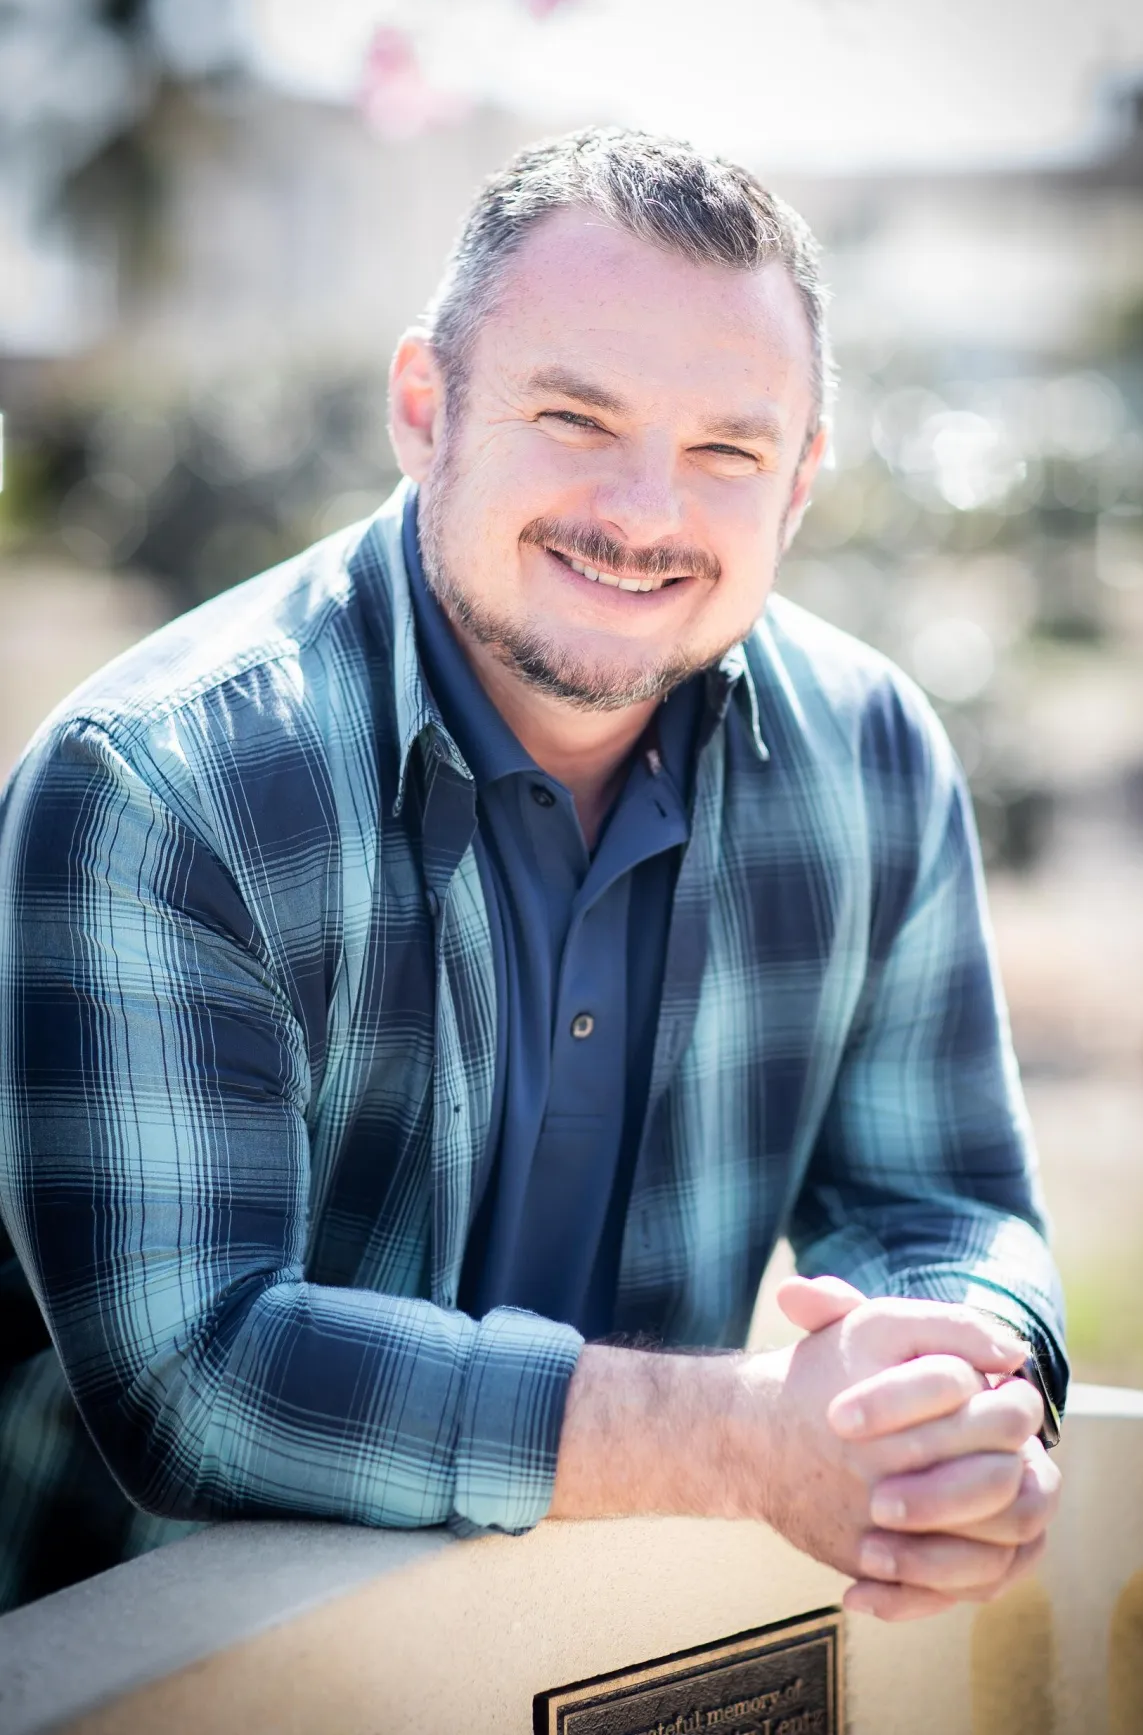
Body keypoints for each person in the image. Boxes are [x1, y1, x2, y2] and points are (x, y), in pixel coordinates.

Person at [0, 128, 1065, 1622]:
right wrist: (749, 1440)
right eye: (575, 416)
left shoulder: (877, 754)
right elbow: (195, 1376)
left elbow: (942, 1194)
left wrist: (952, 1385)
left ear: (803, 479)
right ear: (426, 407)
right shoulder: (159, 787)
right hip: (163, 1672)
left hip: (622, 1660)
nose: (642, 514)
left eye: (725, 450)